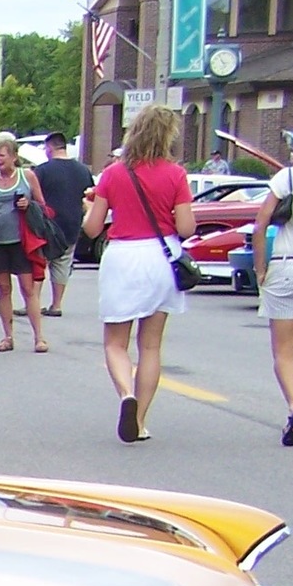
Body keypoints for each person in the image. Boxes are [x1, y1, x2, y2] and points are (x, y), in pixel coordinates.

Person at [80, 104, 195, 443]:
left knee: (116, 342)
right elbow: (186, 227)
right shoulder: (176, 175)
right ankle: (141, 420)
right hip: (161, 257)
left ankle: (126, 395)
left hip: (123, 257)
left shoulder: (115, 173)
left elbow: (92, 229)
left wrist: (90, 206)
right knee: (151, 346)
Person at [249, 116, 293, 445]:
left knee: (283, 351)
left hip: (289, 265)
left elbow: (260, 224)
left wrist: (260, 268)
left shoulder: (288, 177)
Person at [0, 140, 48, 352]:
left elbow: (43, 205)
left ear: (14, 157)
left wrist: (29, 205)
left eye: (2, 155)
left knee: (28, 288)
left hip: (22, 240)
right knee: (3, 288)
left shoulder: (26, 176)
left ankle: (39, 337)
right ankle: (7, 336)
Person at [33, 131, 92, 317]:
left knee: (40, 263)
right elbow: (89, 196)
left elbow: (33, 195)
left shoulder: (42, 171)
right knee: (63, 264)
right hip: (72, 224)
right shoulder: (83, 170)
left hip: (47, 226)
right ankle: (56, 304)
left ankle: (33, 302)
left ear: (50, 147)